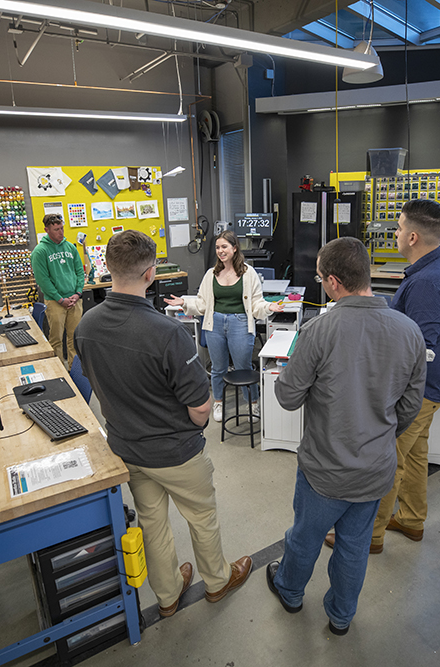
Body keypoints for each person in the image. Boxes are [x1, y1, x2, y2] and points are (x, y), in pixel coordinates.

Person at [74, 230, 252, 618]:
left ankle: (168, 596)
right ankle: (218, 582)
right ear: (151, 274)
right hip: (176, 452)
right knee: (201, 516)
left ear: (107, 267)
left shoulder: (86, 326)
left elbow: (96, 384)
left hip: (127, 450)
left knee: (152, 523)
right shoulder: (167, 332)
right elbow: (202, 407)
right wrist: (190, 425)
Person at [266, 237, 425, 635]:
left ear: (334, 282)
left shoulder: (320, 330)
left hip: (326, 469)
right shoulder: (409, 331)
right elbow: (409, 407)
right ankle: (340, 616)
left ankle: (289, 590)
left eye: (321, 279)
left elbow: (286, 396)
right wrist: (379, 436)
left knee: (304, 538)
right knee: (354, 547)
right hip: (376, 469)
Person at [350, 199, 440, 553]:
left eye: (397, 228)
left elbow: (420, 349)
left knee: (388, 463)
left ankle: (371, 535)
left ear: (412, 237)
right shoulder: (435, 270)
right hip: (432, 388)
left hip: (416, 394)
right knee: (414, 457)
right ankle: (412, 519)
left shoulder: (426, 282)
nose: (394, 234)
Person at [165, 230, 282, 421]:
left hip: (240, 323)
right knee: (218, 368)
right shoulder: (211, 274)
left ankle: (253, 404)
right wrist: (184, 303)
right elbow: (203, 304)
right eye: (218, 247)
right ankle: (218, 402)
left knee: (243, 366)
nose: (220, 251)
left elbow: (255, 304)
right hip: (215, 324)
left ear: (235, 248)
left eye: (224, 247)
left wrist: (269, 306)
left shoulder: (248, 273)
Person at [30, 214, 87, 369]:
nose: (61, 232)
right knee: (56, 339)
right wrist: (60, 299)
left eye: (62, 228)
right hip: (55, 302)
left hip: (75, 300)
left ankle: (73, 370)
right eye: (56, 229)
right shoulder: (40, 252)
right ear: (47, 230)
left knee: (74, 338)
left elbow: (80, 272)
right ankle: (59, 370)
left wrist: (77, 293)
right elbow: (43, 280)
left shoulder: (70, 247)